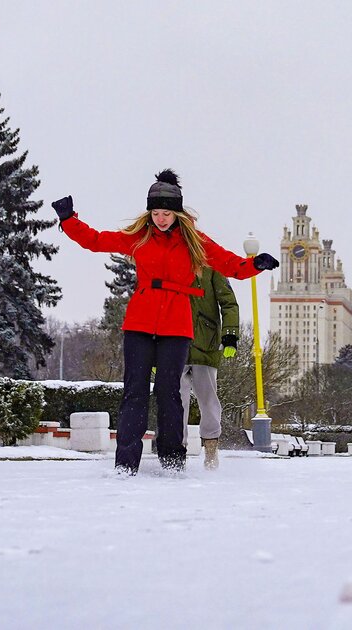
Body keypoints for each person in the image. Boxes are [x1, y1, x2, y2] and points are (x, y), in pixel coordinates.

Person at [52, 169, 279, 475]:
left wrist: (255, 264)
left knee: (169, 393)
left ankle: (173, 461)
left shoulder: (194, 242)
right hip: (140, 321)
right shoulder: (139, 238)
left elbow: (230, 265)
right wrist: (69, 220)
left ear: (177, 214)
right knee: (134, 391)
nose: (160, 219)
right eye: (155, 212)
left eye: (166, 213)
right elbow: (95, 240)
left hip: (177, 324)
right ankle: (126, 463)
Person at [180, 267, 238, 470]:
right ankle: (177, 451)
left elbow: (228, 301)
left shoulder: (213, 266)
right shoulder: (170, 259)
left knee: (209, 401)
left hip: (205, 343)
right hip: (173, 343)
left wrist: (230, 335)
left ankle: (211, 451)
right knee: (174, 402)